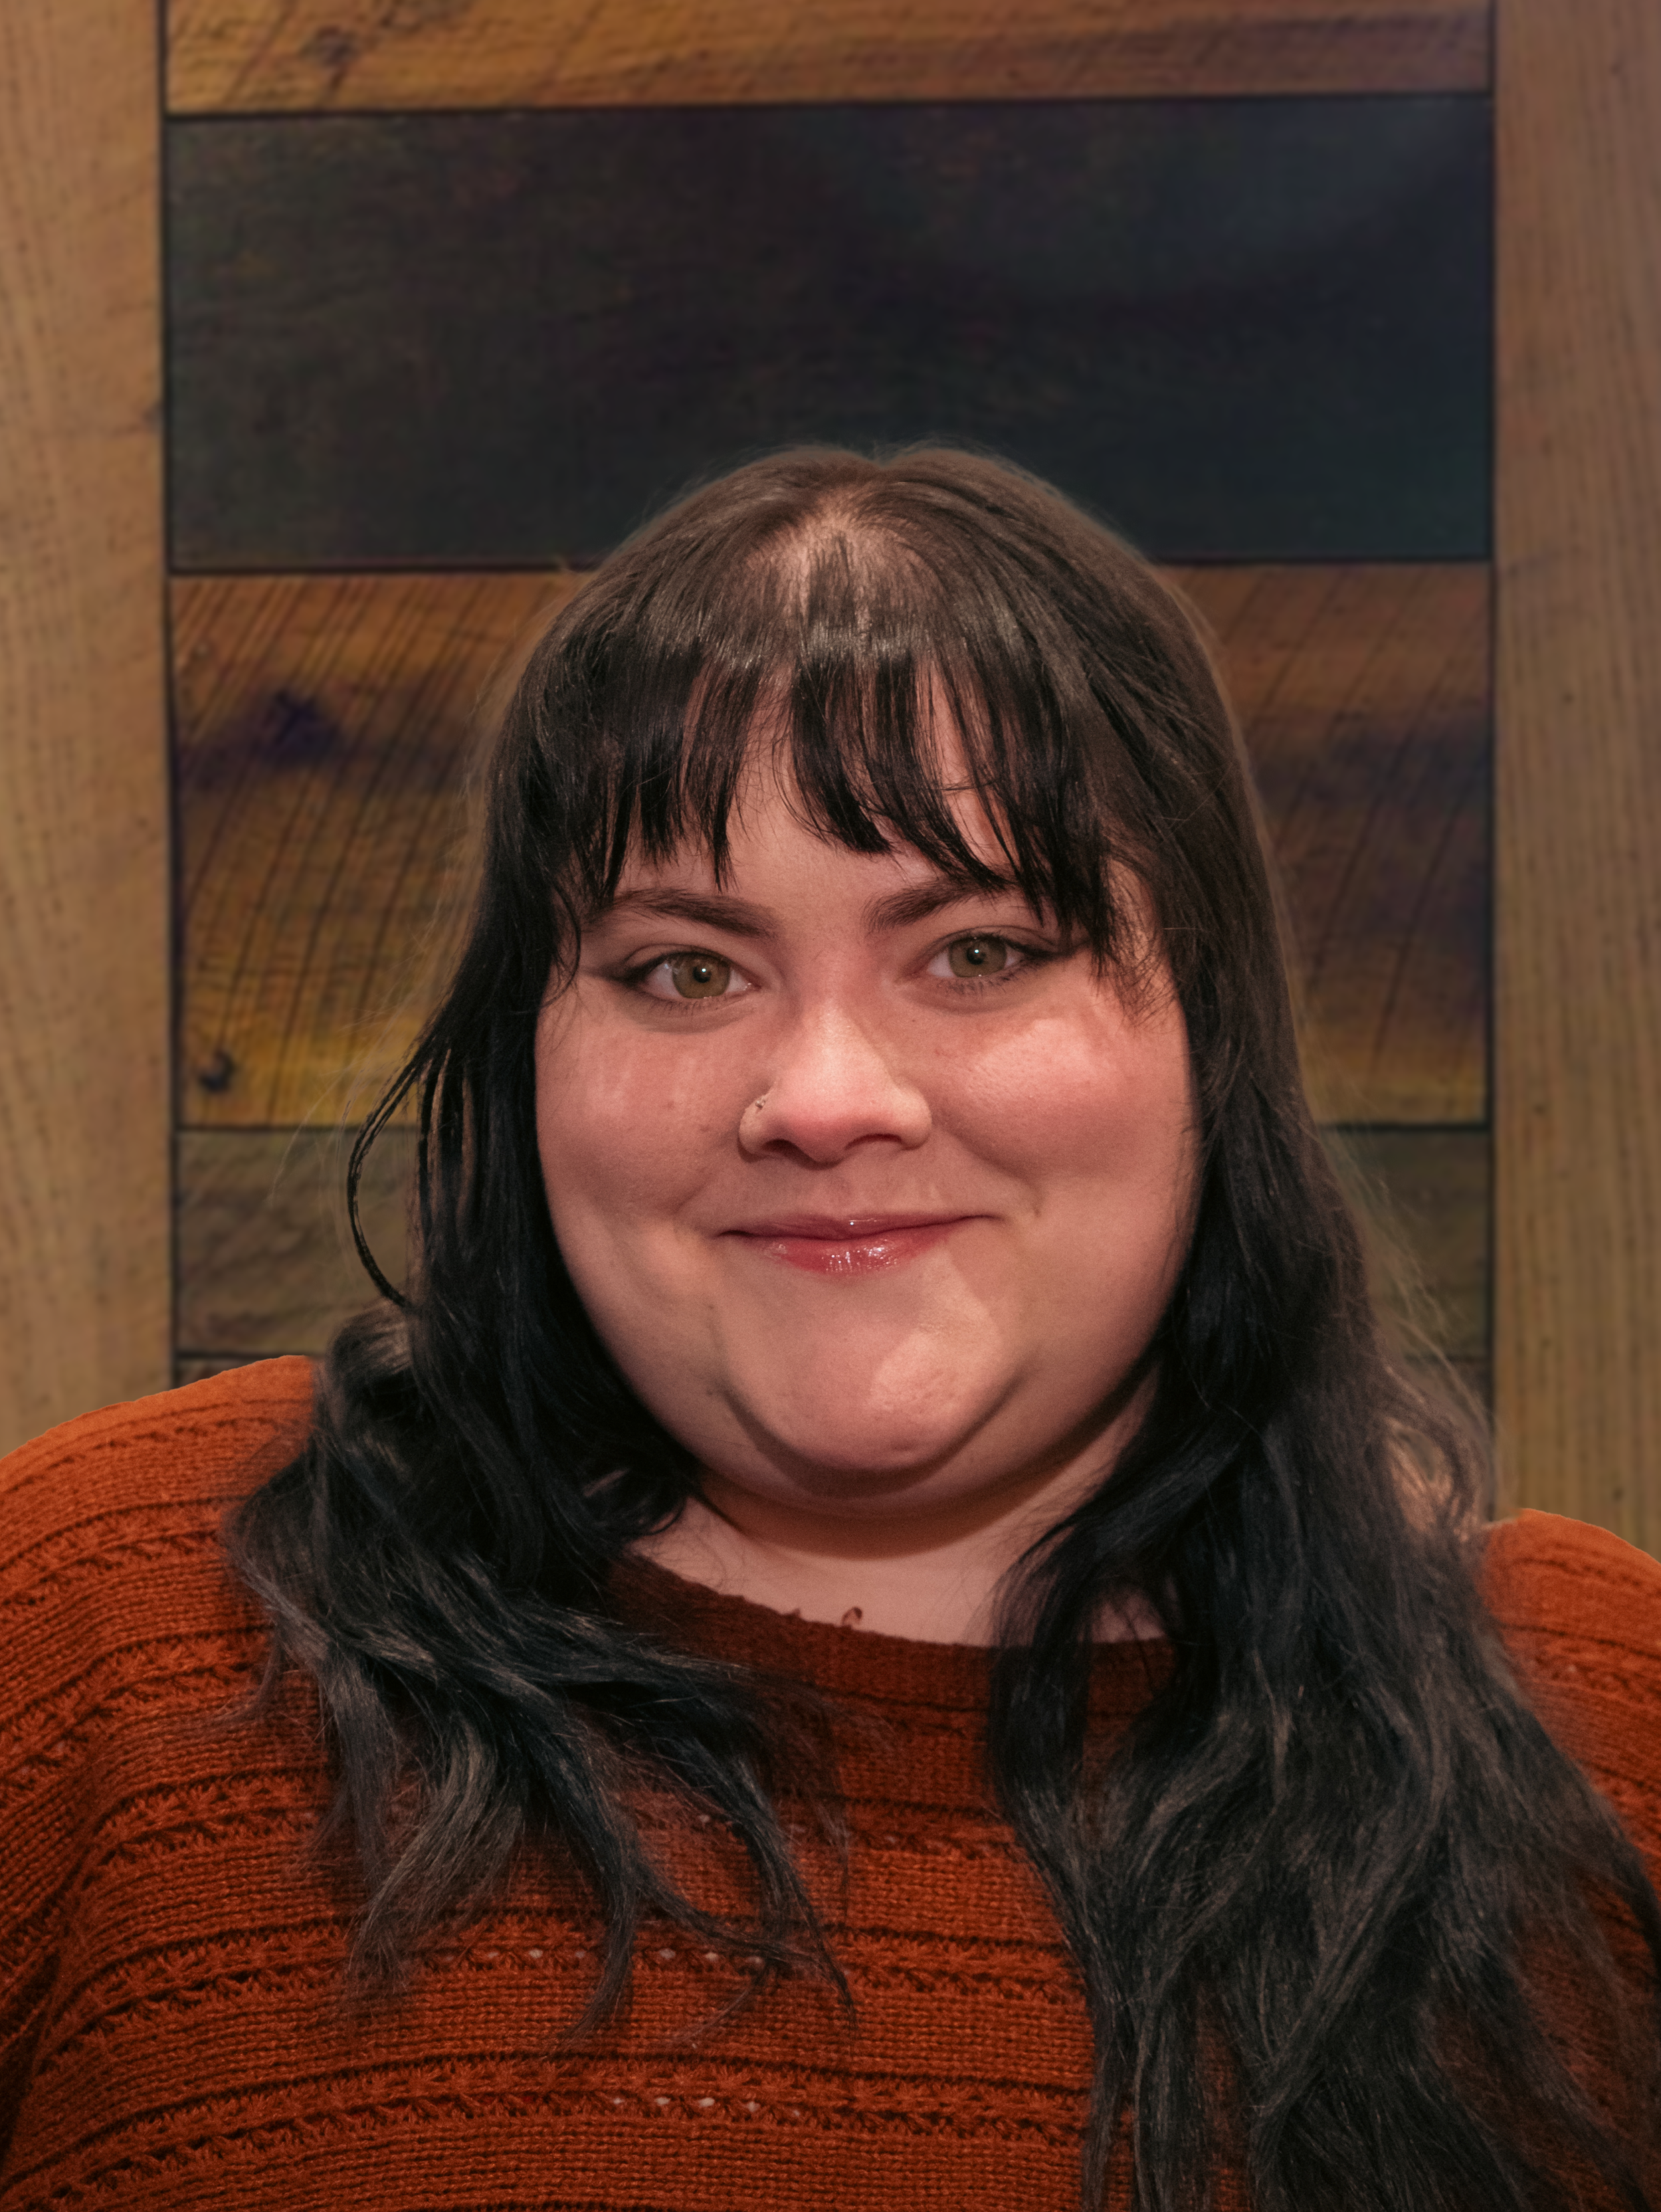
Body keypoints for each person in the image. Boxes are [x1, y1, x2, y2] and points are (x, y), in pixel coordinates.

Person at [3, 447, 1658, 2212]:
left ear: (1209, 1039)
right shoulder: (96, 1632)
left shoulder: (1608, 1726)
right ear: (527, 1061)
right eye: (685, 969)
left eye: (979, 952)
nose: (822, 1097)